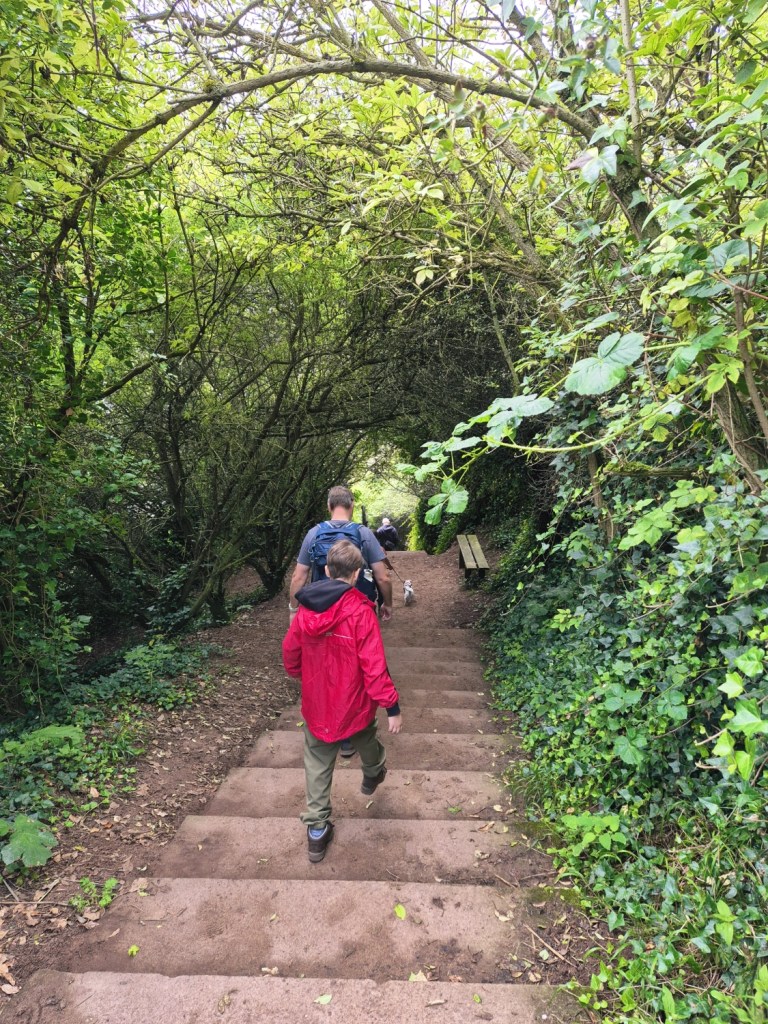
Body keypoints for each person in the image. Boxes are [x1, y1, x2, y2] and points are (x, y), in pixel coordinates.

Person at [282, 539, 403, 863]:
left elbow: (290, 653)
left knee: (318, 763)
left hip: (318, 701)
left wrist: (300, 674)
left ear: (324, 570)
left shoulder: (305, 609)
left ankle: (317, 830)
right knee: (366, 737)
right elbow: (374, 665)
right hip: (355, 703)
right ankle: (374, 770)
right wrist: (391, 705)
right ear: (357, 575)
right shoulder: (362, 612)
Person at [289, 486, 393, 623]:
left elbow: (298, 577)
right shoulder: (364, 533)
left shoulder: (313, 533)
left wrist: (293, 610)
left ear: (328, 505)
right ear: (352, 505)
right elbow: (383, 578)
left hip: (322, 607)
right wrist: (388, 604)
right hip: (358, 609)